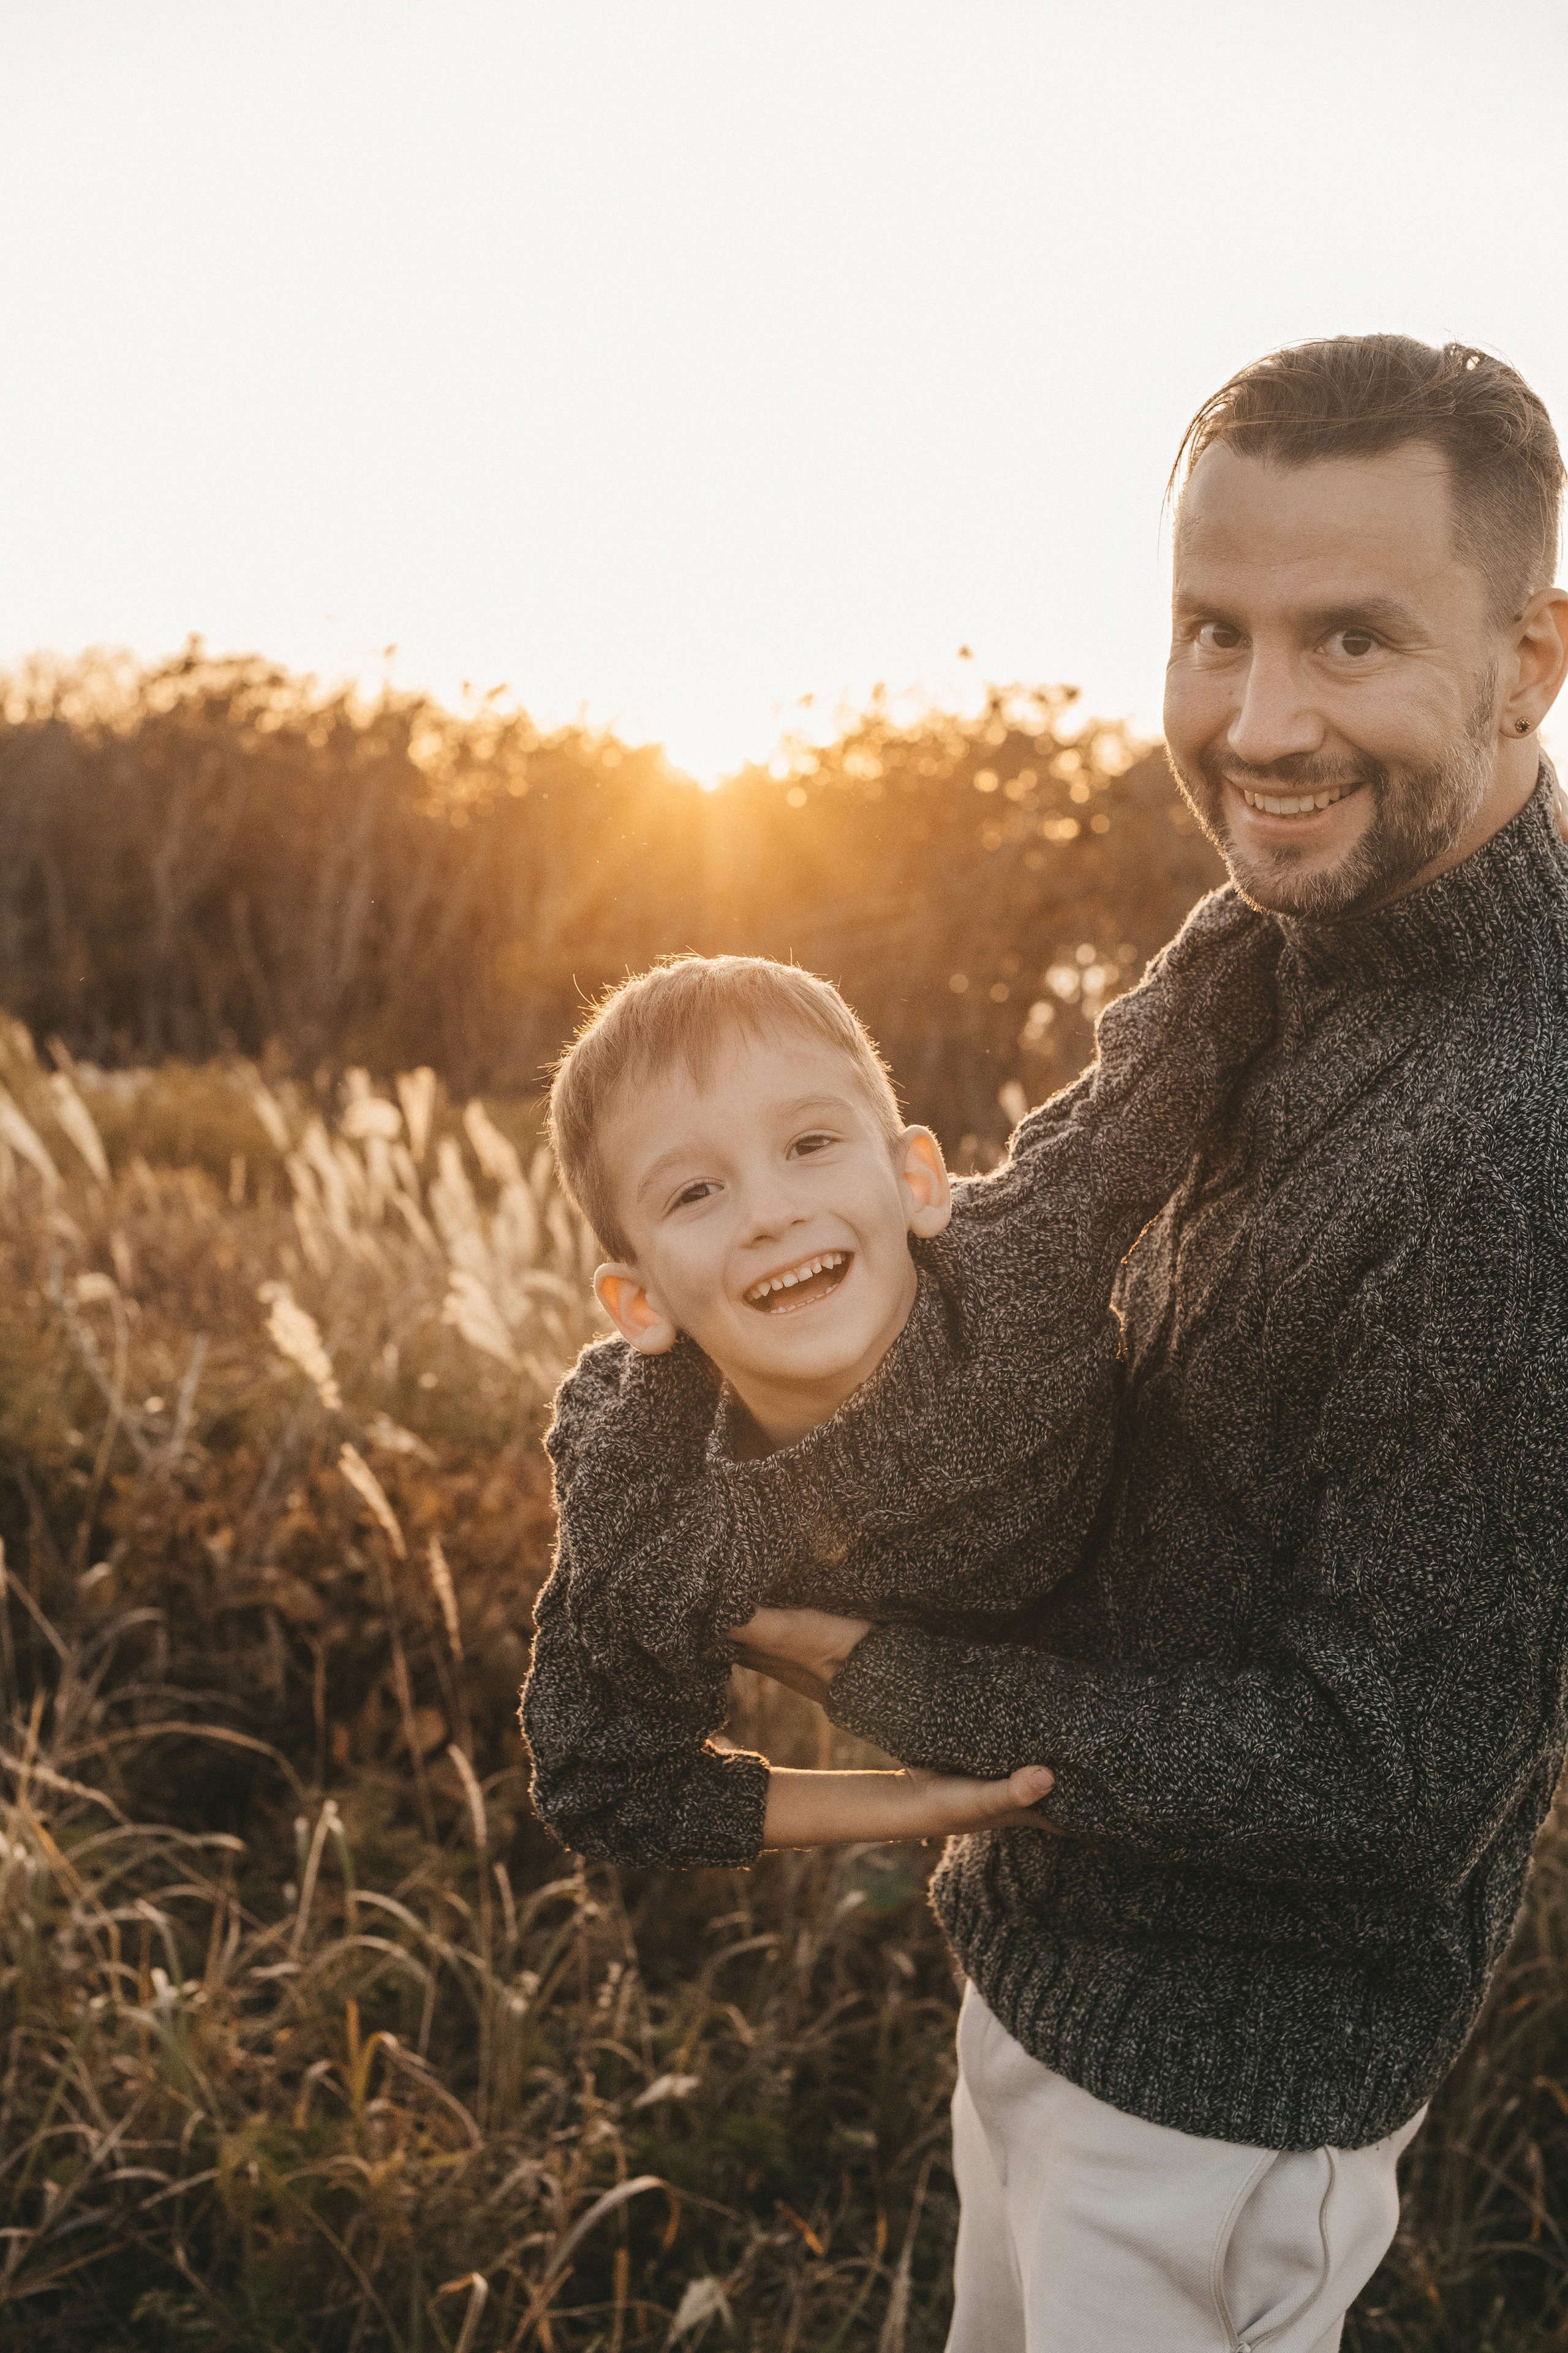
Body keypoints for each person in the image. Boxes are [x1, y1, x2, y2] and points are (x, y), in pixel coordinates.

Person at [527, 333, 1568, 2352]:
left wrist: (868, 1662)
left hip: (1220, 2102)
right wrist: (755, 1427)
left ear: (1529, 658)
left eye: (1350, 640)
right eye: (1212, 631)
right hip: (1044, 1975)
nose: (1257, 723)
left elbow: (1392, 1778)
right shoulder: (1282, 938)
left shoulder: (1512, 1148)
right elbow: (1031, 1228)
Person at [524, 939, 1267, 1860]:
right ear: (641, 1305)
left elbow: (1191, 1017)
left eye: (810, 1143)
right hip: (1017, 1756)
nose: (769, 1212)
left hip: (1205, 1614)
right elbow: (603, 1785)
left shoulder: (1025, 1254)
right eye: (695, 1191)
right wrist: (935, 1805)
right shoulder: (656, 1512)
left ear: (917, 1181)